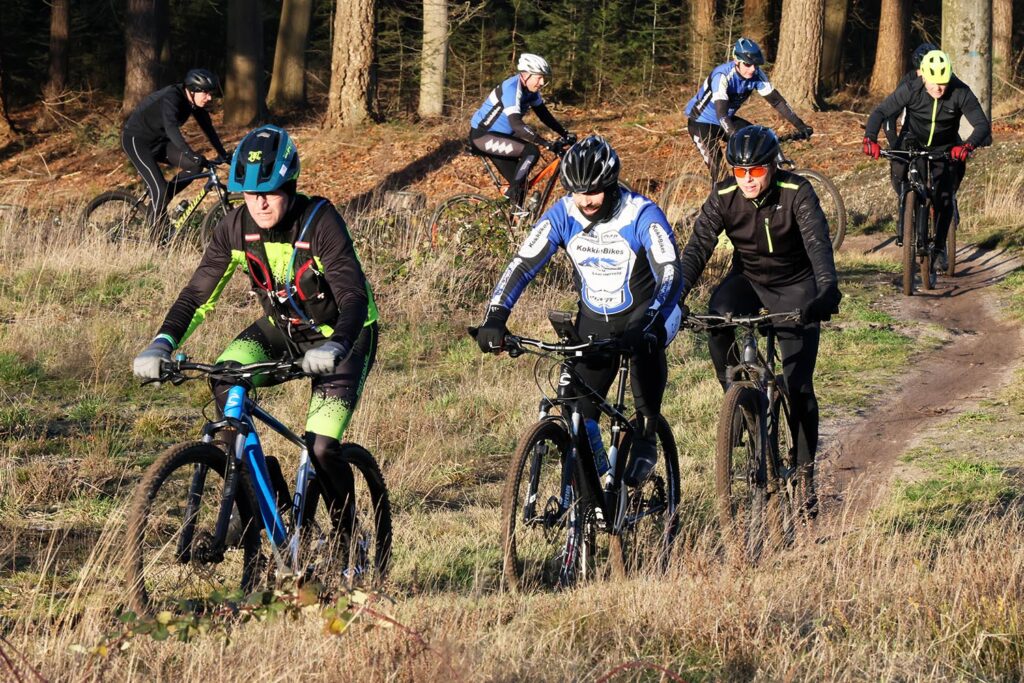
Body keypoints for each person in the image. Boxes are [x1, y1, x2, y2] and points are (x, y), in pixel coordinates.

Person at [132, 125, 379, 518]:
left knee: (320, 446)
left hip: (344, 335)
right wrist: (163, 342)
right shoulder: (234, 227)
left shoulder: (320, 221)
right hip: (286, 331)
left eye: (269, 193)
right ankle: (268, 493)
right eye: (249, 195)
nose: (259, 204)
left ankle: (347, 547)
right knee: (225, 376)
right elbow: (197, 295)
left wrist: (337, 344)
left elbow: (353, 298)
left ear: (290, 187)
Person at [475, 135, 683, 485]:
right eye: (577, 192)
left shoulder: (641, 213)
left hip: (647, 313)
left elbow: (671, 271)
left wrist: (651, 320)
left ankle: (647, 436)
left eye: (595, 191)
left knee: (645, 351)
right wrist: (496, 316)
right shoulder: (563, 213)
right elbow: (523, 264)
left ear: (611, 184)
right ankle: (592, 503)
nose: (586, 201)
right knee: (576, 413)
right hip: (593, 319)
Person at [677, 125, 841, 512]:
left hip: (797, 285)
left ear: (772, 166)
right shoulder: (723, 196)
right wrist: (674, 298)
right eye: (739, 171)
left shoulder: (796, 191)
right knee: (718, 319)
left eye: (755, 171)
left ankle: (805, 472)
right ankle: (736, 399)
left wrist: (825, 292)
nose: (747, 179)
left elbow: (819, 245)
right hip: (747, 279)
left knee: (799, 384)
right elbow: (697, 249)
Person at [863, 49, 992, 271]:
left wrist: (967, 146)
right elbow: (881, 112)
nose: (939, 88)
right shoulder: (911, 90)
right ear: (923, 75)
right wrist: (870, 139)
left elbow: (982, 125)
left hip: (946, 147)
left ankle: (940, 247)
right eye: (934, 83)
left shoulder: (960, 92)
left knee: (944, 196)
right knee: (900, 170)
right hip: (914, 141)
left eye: (943, 82)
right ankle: (908, 212)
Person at [685, 38, 814, 184]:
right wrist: (735, 136)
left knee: (761, 139)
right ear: (736, 61)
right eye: (747, 64)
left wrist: (800, 125)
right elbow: (721, 114)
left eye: (755, 65)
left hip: (726, 119)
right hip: (701, 123)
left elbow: (777, 101)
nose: (752, 69)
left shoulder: (757, 75)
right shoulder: (722, 76)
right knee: (721, 176)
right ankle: (717, 203)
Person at [121, 68, 231, 227]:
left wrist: (224, 155)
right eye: (206, 93)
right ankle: (154, 241)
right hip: (136, 140)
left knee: (195, 166)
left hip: (159, 142)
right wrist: (190, 153)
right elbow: (171, 128)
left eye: (210, 93)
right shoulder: (172, 97)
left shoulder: (194, 103)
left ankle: (163, 198)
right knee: (159, 188)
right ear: (192, 91)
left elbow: (209, 130)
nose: (209, 97)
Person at [469, 53, 573, 210]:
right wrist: (545, 143)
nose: (542, 82)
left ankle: (510, 224)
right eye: (539, 78)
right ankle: (506, 201)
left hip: (500, 138)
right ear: (525, 75)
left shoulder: (530, 91)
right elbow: (517, 125)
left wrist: (564, 133)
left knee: (520, 186)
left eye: (543, 78)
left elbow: (544, 115)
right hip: (483, 137)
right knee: (531, 151)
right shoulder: (512, 89)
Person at [881, 42, 940, 148]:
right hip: (912, 130)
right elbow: (891, 114)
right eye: (922, 72)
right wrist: (894, 143)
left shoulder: (947, 82)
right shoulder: (908, 82)